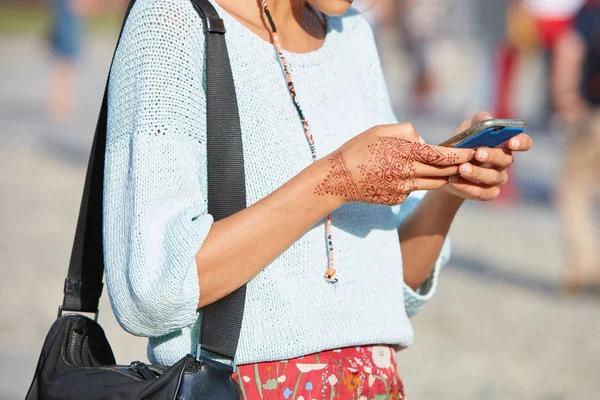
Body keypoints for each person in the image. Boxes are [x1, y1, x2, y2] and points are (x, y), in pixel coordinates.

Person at [103, 0, 532, 397]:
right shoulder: (171, 22)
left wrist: (450, 189)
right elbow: (151, 293)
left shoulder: (353, 34)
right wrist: (337, 179)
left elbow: (389, 293)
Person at [553, 0, 600, 292]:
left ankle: (585, 267)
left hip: (593, 115)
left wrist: (564, 96)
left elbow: (568, 49)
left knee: (572, 190)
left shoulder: (591, 10)